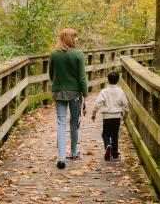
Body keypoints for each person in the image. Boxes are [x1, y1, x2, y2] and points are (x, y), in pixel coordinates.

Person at [48, 28, 88, 170]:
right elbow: (82, 77)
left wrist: (58, 84)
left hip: (58, 92)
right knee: (73, 122)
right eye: (75, 37)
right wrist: (85, 94)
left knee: (60, 122)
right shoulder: (78, 54)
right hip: (75, 93)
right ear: (70, 38)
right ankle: (73, 151)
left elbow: (51, 74)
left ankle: (61, 158)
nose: (76, 40)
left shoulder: (54, 54)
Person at [91, 71, 129, 161]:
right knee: (115, 135)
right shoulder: (120, 91)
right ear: (118, 80)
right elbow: (125, 104)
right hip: (117, 116)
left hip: (107, 117)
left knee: (105, 134)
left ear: (108, 80)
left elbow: (97, 103)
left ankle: (108, 144)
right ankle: (115, 154)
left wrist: (94, 113)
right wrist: (125, 114)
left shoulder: (104, 91)